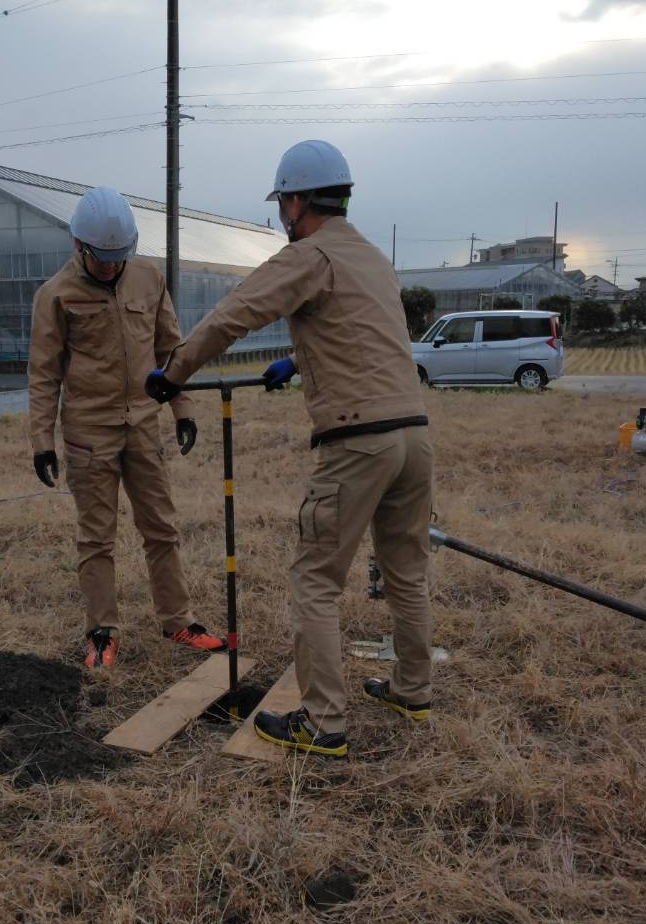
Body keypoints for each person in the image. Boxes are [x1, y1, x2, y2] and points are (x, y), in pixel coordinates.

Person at [146, 142, 432, 756]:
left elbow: (232, 316)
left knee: (314, 581)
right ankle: (413, 688)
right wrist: (298, 358)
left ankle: (323, 724)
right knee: (406, 570)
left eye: (284, 204)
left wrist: (173, 374)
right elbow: (357, 333)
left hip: (358, 441)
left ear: (297, 201)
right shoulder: (373, 259)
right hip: (413, 434)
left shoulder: (309, 254)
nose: (284, 215)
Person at [29, 186, 226, 668]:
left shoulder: (148, 278)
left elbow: (171, 350)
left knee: (162, 527)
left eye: (120, 258)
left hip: (142, 425)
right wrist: (42, 442)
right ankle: (101, 632)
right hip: (88, 434)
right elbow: (43, 374)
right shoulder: (55, 295)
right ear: (79, 247)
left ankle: (178, 621)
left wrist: (182, 409)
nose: (112, 268)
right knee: (96, 538)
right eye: (103, 260)